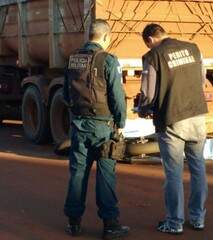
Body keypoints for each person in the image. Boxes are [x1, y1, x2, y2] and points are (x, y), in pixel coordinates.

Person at [138, 23, 208, 235]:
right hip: (197, 117)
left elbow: (148, 93)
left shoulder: (152, 56)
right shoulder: (194, 48)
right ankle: (198, 218)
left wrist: (143, 109)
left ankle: (174, 222)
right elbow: (202, 79)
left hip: (172, 120)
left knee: (173, 173)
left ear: (150, 40)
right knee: (198, 168)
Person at [63, 19, 129, 239]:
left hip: (79, 125)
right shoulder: (108, 60)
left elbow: (66, 95)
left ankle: (73, 223)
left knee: (78, 173)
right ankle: (110, 225)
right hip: (103, 127)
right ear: (106, 37)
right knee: (105, 175)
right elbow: (117, 96)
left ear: (88, 36)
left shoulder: (73, 60)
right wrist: (121, 123)